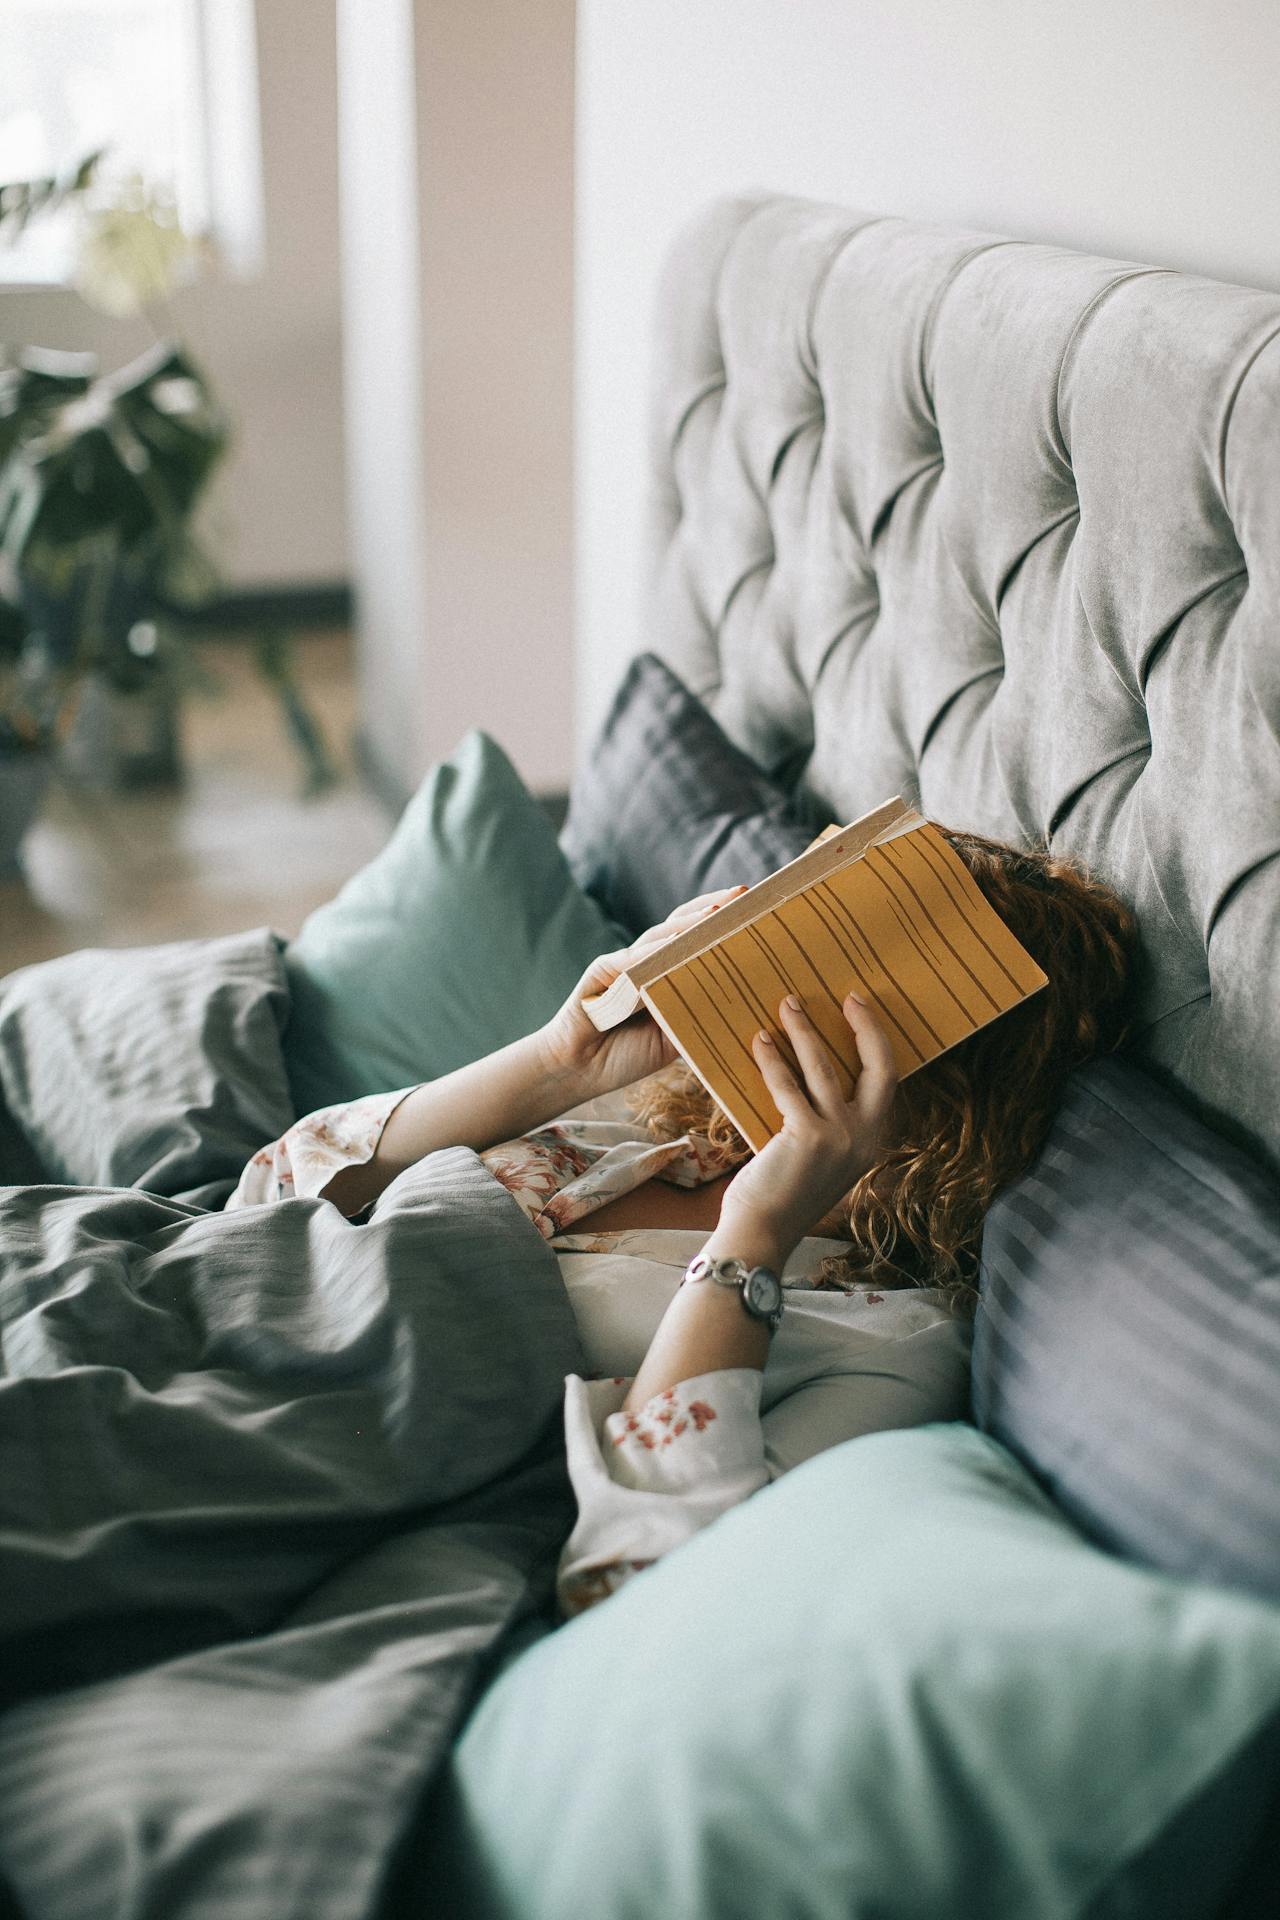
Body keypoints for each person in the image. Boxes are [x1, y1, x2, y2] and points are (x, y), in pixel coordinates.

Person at [229, 828, 1135, 1615]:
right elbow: (279, 1186)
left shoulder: (896, 1345)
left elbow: (640, 1573)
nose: (784, 1004)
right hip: (209, 1301)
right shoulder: (668, 1128)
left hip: (290, 1449)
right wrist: (557, 1064)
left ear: (958, 1090)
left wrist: (757, 1230)